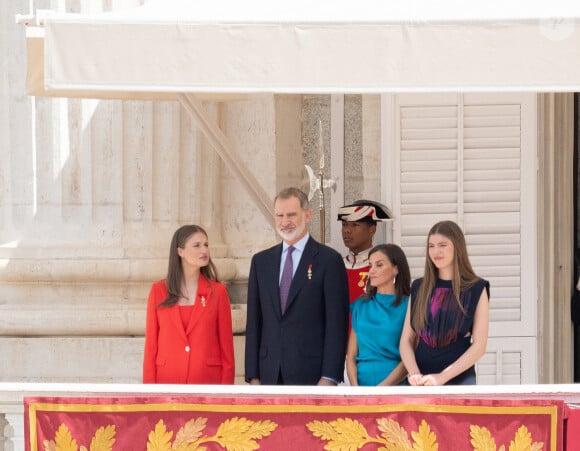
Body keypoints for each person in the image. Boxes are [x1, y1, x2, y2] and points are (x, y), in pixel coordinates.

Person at [244, 187, 350, 385]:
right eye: (280, 215)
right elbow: (254, 323)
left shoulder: (329, 260)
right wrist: (253, 376)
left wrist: (328, 377)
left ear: (308, 215)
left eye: (291, 215)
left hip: (312, 375)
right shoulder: (261, 262)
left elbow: (336, 324)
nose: (285, 222)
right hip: (268, 375)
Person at [399, 220, 490, 386]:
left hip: (459, 380)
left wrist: (441, 377)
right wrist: (414, 373)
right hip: (420, 382)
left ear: (457, 247)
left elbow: (479, 346)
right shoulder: (418, 287)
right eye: (431, 246)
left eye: (442, 245)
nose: (436, 251)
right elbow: (406, 340)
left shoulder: (477, 288)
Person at [143, 225, 235, 384]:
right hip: (166, 384)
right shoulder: (158, 291)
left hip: (208, 385)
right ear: (180, 251)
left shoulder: (218, 292)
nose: (204, 250)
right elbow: (150, 348)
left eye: (206, 245)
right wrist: (149, 393)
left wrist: (225, 393)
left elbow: (227, 351)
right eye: (197, 245)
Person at [346, 244, 411, 386]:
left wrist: (381, 389)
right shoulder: (360, 305)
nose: (372, 271)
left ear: (396, 269)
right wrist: (355, 388)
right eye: (370, 265)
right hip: (361, 389)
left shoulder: (410, 306)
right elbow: (351, 356)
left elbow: (410, 357)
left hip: (395, 388)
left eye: (379, 265)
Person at [337, 200, 392, 304]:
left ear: (372, 229)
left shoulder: (384, 268)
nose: (347, 230)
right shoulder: (336, 266)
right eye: (344, 225)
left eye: (354, 225)